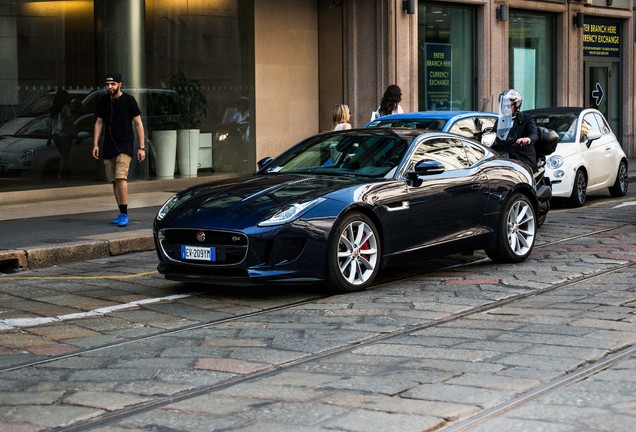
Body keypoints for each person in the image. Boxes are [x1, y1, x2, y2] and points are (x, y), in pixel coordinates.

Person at [92, 72, 146, 227]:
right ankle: (121, 212)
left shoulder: (129, 100)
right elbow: (98, 123)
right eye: (107, 84)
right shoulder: (103, 101)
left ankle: (125, 214)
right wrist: (95, 144)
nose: (110, 87)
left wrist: (141, 147)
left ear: (120, 84)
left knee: (121, 177)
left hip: (125, 145)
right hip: (108, 145)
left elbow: (138, 124)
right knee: (114, 180)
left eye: (113, 84)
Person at [492, 89, 539, 172]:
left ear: (517, 105)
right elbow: (493, 134)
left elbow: (534, 134)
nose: (506, 109)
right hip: (504, 157)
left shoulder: (526, 119)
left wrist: (527, 139)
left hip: (522, 157)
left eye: (509, 106)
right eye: (503, 106)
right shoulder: (500, 121)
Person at [47, 89, 76, 183]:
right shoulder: (65, 107)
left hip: (55, 135)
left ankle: (67, 174)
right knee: (64, 157)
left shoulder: (53, 108)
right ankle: (61, 176)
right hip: (65, 134)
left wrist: (48, 138)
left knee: (63, 156)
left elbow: (50, 124)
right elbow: (69, 120)